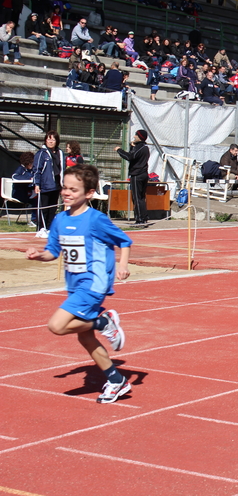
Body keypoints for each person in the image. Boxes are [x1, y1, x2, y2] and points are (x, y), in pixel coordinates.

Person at [26, 164, 133, 404]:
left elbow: (124, 241)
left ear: (89, 193)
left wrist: (123, 266)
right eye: (65, 187)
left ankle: (102, 321)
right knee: (85, 338)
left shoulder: (96, 219)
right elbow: (52, 252)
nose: (66, 192)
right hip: (75, 285)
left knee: (56, 325)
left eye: (73, 189)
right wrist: (38, 255)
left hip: (93, 284)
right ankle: (116, 380)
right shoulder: (60, 219)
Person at [32, 131, 66, 237]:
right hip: (45, 184)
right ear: (45, 140)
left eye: (53, 139)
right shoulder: (41, 153)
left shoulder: (60, 153)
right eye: (49, 139)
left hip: (57, 184)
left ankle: (50, 227)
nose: (50, 141)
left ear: (57, 141)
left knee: (53, 207)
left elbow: (62, 168)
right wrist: (37, 184)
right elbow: (37, 169)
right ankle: (41, 228)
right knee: (44, 207)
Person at [115, 130, 151, 225]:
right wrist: (132, 146)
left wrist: (119, 150)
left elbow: (130, 157)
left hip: (137, 175)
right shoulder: (145, 148)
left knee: (137, 197)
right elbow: (135, 156)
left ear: (140, 137)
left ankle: (140, 219)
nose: (134, 137)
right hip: (143, 174)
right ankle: (144, 217)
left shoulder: (140, 147)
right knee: (141, 197)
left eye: (136, 135)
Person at [12, 151, 37, 227]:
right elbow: (14, 176)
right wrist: (29, 178)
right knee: (36, 199)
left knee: (40, 196)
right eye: (32, 163)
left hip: (29, 192)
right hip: (20, 193)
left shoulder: (32, 170)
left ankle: (39, 218)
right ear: (27, 162)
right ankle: (34, 220)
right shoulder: (21, 169)